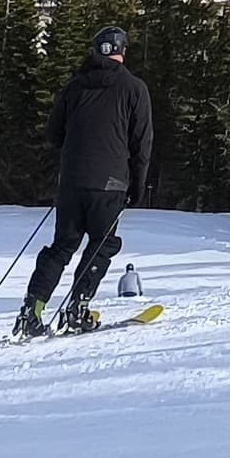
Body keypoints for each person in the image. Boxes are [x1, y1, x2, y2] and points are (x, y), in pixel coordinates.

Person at [15, 25, 154, 334]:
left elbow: (53, 134)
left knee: (62, 246)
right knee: (102, 245)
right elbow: (141, 143)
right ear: (122, 51)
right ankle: (78, 307)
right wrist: (138, 186)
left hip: (71, 183)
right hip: (111, 184)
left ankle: (32, 310)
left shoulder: (75, 87)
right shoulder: (134, 88)